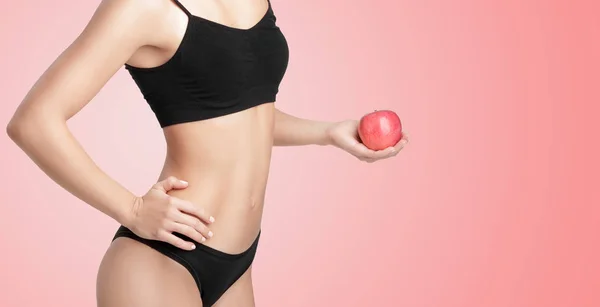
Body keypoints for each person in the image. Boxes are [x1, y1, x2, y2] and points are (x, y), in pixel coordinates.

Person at [6, 0, 409, 306]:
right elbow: (33, 122)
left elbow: (242, 115)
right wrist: (130, 209)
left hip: (238, 266)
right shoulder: (142, 6)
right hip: (162, 260)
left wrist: (328, 132)